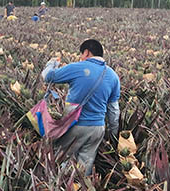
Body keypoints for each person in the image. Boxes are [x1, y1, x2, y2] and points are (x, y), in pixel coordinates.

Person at [41, 39, 120, 175]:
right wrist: (113, 135)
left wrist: (51, 63)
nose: (81, 58)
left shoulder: (78, 67)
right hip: (97, 129)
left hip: (76, 125)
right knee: (85, 166)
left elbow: (47, 77)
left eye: (82, 54)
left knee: (58, 159)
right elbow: (114, 111)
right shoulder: (113, 76)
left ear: (87, 52)